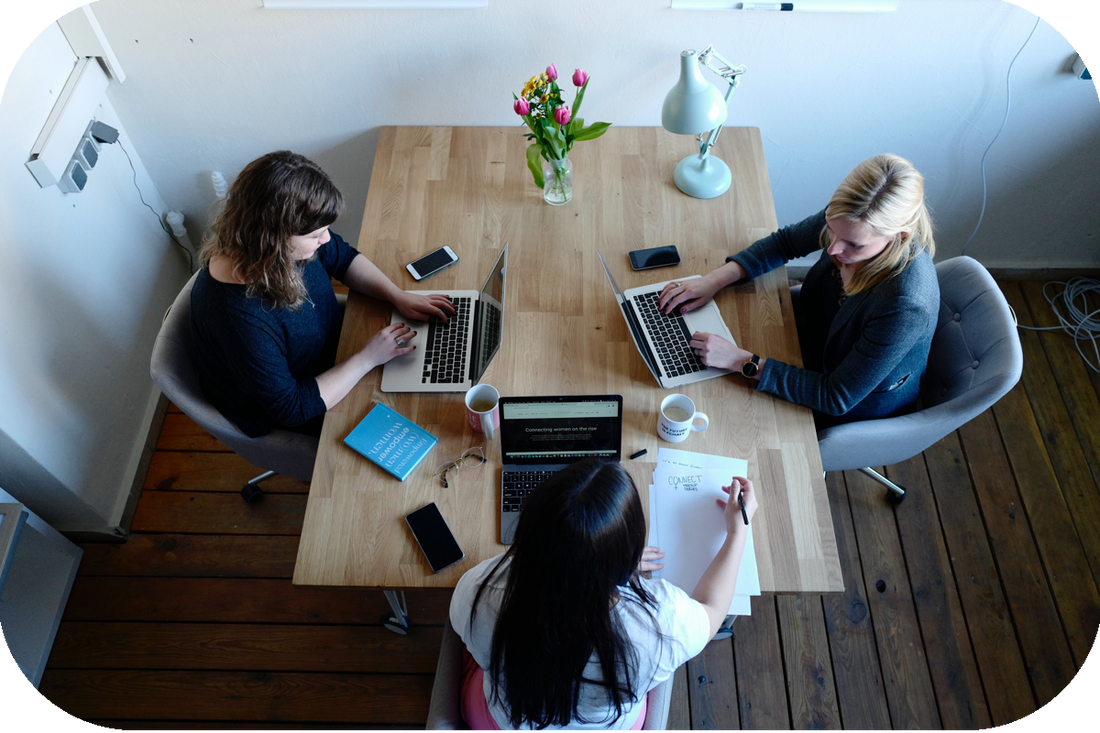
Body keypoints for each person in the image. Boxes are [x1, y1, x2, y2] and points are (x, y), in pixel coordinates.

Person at [449, 458, 757, 732]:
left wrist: (595, 559)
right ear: (630, 552)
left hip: (501, 722)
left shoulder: (478, 589)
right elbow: (712, 609)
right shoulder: (661, 624)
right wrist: (737, 531)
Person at [658, 153, 939, 426]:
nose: (833, 248)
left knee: (728, 418)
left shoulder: (904, 304)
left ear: (900, 236)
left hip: (847, 404)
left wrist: (739, 360)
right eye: (831, 229)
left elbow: (835, 396)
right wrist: (713, 280)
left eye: (853, 245)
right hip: (812, 338)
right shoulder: (850, 218)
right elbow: (786, 243)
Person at [190, 150, 455, 437]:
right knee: (427, 418)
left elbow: (342, 258)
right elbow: (291, 408)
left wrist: (396, 295)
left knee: (433, 381)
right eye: (316, 235)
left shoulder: (275, 249)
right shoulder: (237, 318)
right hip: (306, 400)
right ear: (273, 238)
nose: (325, 239)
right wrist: (367, 358)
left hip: (339, 350)